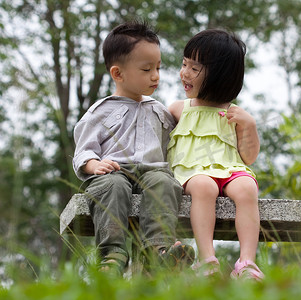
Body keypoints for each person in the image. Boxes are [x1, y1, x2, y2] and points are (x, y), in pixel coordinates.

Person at [72, 20, 194, 275]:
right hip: (114, 172)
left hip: (152, 172)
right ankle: (111, 254)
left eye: (158, 68)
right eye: (146, 69)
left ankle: (158, 250)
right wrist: (95, 165)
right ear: (118, 74)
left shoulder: (160, 111)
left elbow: (175, 146)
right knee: (111, 186)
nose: (155, 76)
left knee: (164, 181)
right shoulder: (100, 111)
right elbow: (84, 150)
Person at [167, 29, 264, 280]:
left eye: (194, 68)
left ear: (220, 76)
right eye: (184, 64)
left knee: (247, 188)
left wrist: (249, 125)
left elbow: (249, 157)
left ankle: (247, 263)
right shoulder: (179, 109)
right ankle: (207, 260)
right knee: (204, 187)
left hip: (230, 170)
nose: (184, 73)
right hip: (193, 172)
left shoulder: (235, 113)